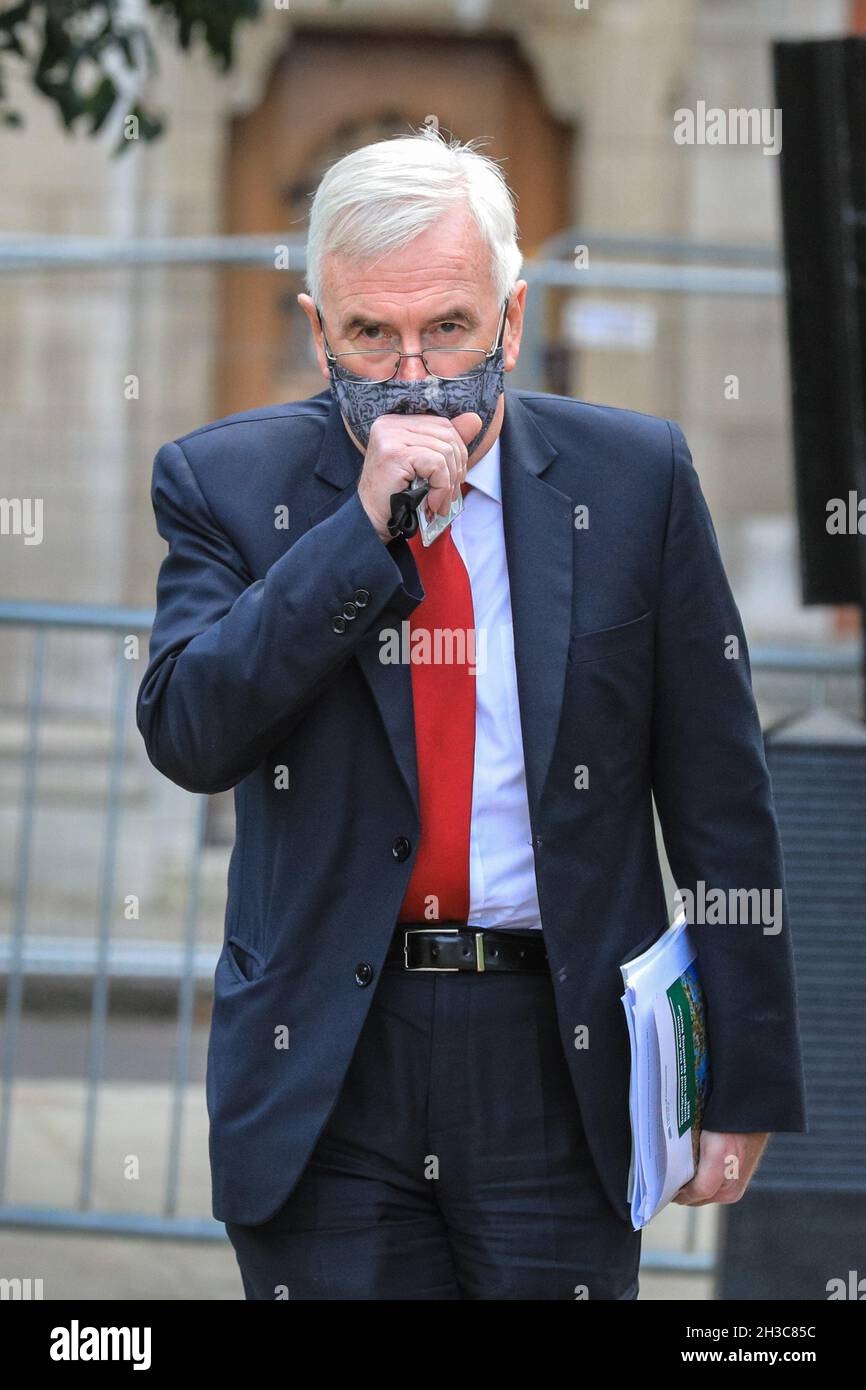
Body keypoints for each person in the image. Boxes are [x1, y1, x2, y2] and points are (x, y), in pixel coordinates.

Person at [136, 128, 807, 1300]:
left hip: (558, 1052)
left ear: (511, 314)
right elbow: (191, 731)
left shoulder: (634, 481)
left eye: (447, 326)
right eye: (370, 335)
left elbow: (719, 796)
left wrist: (740, 1077)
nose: (412, 375)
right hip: (326, 1059)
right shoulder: (227, 485)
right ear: (316, 328)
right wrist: (357, 536)